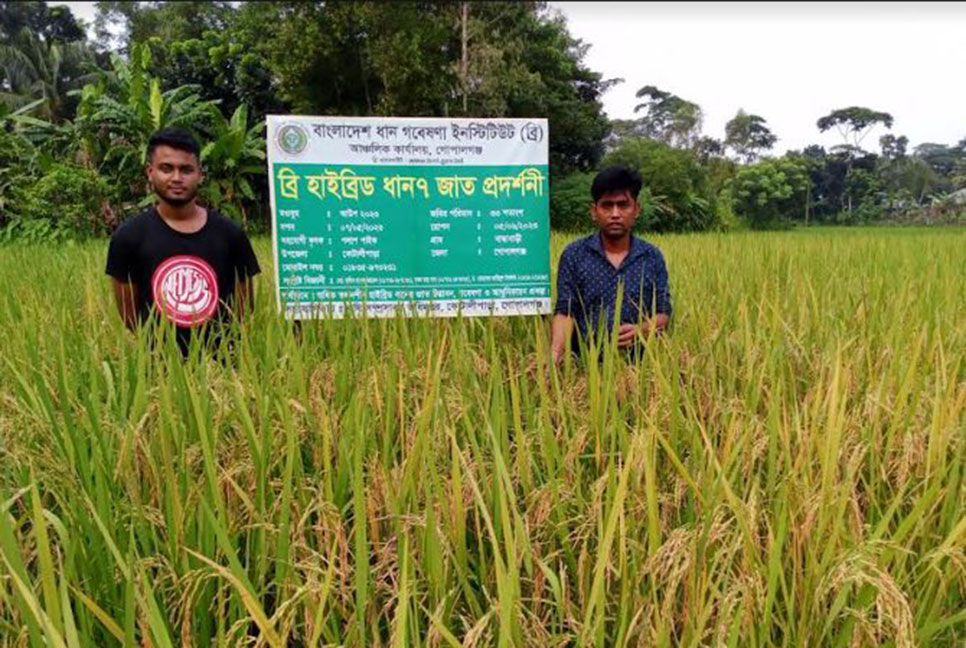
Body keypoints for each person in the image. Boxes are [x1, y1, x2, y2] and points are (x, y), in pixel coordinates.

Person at [105, 127, 260, 354]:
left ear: (200, 174)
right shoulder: (128, 237)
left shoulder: (231, 234)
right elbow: (130, 316)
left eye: (186, 170)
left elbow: (244, 307)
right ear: (150, 171)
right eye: (166, 168)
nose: (177, 178)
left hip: (226, 368)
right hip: (159, 369)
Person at [550, 166, 671, 362]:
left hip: (639, 370)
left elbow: (663, 312)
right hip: (585, 368)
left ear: (636, 210)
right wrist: (555, 355)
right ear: (594, 211)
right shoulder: (574, 255)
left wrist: (642, 329)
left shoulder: (652, 257)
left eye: (623, 205)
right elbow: (565, 311)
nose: (615, 214)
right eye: (607, 205)